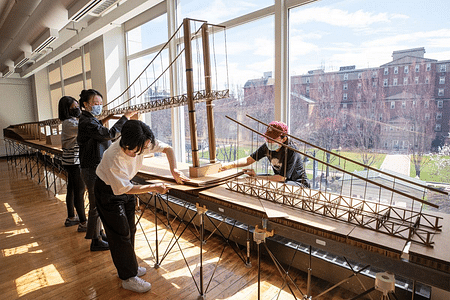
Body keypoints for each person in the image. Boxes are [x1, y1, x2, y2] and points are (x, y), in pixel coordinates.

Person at [95, 119, 189, 293]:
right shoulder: (113, 156)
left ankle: (128, 267)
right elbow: (125, 189)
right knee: (119, 234)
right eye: (131, 151)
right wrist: (154, 187)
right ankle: (128, 277)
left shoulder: (143, 142)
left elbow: (168, 148)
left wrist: (174, 169)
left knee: (130, 229)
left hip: (124, 185)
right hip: (108, 191)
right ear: (124, 142)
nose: (135, 153)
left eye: (139, 150)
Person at [77, 89, 137, 251]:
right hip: (92, 168)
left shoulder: (88, 119)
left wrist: (107, 118)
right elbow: (108, 134)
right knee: (96, 205)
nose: (99, 106)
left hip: (93, 166)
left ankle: (98, 233)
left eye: (101, 103)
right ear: (86, 104)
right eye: (95, 103)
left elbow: (97, 129)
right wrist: (125, 118)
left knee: (98, 203)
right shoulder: (86, 122)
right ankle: (95, 240)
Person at [220, 121, 310, 188]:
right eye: (267, 138)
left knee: (268, 184)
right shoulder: (267, 147)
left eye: (273, 138)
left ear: (284, 139)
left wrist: (257, 178)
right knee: (259, 181)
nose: (269, 141)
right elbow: (249, 159)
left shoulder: (291, 151)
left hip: (298, 183)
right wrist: (228, 165)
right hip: (282, 181)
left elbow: (281, 178)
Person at [58, 96, 87, 232]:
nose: (77, 109)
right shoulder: (70, 123)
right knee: (79, 192)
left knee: (72, 189)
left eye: (77, 106)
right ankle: (83, 222)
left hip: (70, 161)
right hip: (75, 162)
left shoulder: (68, 122)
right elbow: (86, 128)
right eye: (74, 107)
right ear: (67, 110)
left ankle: (71, 217)